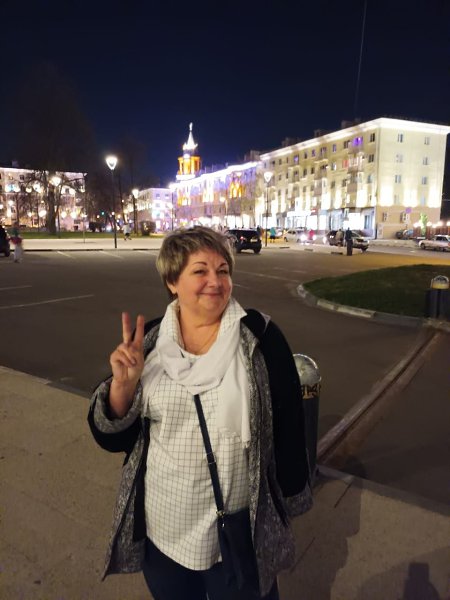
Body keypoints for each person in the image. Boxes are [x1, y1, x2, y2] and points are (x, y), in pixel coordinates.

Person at [88, 226, 312, 600]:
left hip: (236, 531)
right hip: (164, 527)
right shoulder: (150, 343)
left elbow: (289, 425)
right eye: (200, 271)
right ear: (172, 282)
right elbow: (112, 438)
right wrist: (122, 390)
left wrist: (288, 499)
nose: (216, 281)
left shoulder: (261, 338)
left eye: (223, 270)